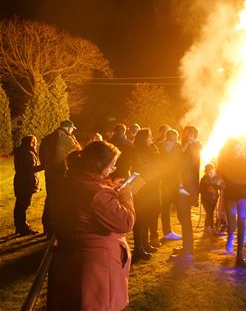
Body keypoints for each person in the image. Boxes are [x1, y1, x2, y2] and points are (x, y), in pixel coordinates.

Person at [48, 141, 135, 311]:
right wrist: (126, 195)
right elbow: (126, 221)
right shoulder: (96, 192)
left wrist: (108, 187)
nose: (113, 169)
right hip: (96, 268)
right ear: (99, 165)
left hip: (70, 259)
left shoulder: (68, 181)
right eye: (111, 165)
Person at [38, 119, 81, 235]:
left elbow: (41, 155)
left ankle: (47, 226)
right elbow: (78, 153)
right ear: (68, 128)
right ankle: (56, 228)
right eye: (72, 129)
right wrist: (75, 141)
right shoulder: (66, 138)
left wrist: (47, 166)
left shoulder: (47, 138)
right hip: (62, 173)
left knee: (50, 198)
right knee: (60, 200)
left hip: (50, 172)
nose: (72, 131)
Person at [217, 138, 246, 266]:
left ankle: (240, 253)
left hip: (242, 196)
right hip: (230, 195)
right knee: (232, 222)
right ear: (231, 149)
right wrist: (220, 182)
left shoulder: (245, 161)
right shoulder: (224, 161)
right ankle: (230, 237)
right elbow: (220, 176)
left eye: (239, 148)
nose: (237, 150)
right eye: (235, 148)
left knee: (242, 222)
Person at [172, 126, 202, 261]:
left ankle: (188, 251)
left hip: (186, 187)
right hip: (187, 186)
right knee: (183, 217)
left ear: (192, 135)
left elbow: (182, 165)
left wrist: (178, 154)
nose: (183, 134)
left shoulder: (190, 148)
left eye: (186, 133)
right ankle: (186, 247)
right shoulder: (191, 147)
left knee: (184, 217)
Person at [131, 128, 161, 261]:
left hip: (151, 186)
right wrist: (153, 158)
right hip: (143, 187)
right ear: (143, 138)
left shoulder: (149, 150)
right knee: (141, 217)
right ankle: (138, 248)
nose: (151, 139)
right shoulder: (136, 151)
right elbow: (140, 168)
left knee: (148, 215)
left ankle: (145, 243)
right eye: (149, 137)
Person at [13, 135, 43, 235]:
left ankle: (20, 226)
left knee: (20, 205)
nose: (36, 143)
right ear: (29, 143)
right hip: (26, 183)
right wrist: (44, 166)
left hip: (21, 182)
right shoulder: (28, 153)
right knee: (23, 205)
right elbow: (30, 169)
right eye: (34, 141)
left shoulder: (21, 151)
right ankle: (23, 227)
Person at [158, 129, 183, 241]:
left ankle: (167, 231)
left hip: (163, 179)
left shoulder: (160, 146)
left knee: (165, 207)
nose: (177, 138)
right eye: (176, 136)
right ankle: (185, 229)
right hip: (176, 180)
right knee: (180, 206)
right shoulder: (178, 147)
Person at [199, 163, 224, 234]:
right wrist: (207, 188)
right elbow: (200, 189)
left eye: (212, 171)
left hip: (214, 198)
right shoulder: (204, 179)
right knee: (209, 212)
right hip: (205, 199)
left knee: (210, 212)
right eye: (208, 171)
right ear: (206, 172)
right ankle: (208, 226)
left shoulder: (217, 178)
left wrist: (219, 184)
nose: (210, 173)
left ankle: (208, 226)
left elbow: (222, 186)